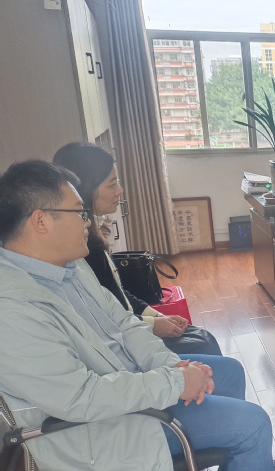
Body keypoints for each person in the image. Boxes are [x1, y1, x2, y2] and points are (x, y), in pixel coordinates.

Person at [0, 160, 275, 471]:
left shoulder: (67, 267)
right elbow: (79, 399)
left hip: (127, 388)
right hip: (92, 429)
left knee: (229, 371)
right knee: (253, 423)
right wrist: (173, 383)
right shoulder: (13, 308)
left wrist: (171, 368)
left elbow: (124, 323)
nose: (88, 221)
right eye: (78, 212)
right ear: (41, 221)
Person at [52, 142, 222, 356]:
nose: (119, 191)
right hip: (122, 342)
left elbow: (116, 296)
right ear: (86, 188)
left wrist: (157, 317)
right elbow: (102, 318)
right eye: (112, 184)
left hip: (132, 326)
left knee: (204, 339)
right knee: (203, 345)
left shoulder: (90, 238)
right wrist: (152, 324)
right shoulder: (80, 251)